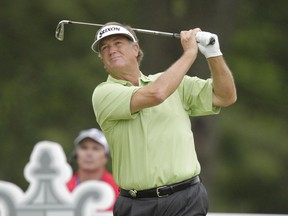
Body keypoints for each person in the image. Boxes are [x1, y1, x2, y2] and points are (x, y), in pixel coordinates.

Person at [90, 22, 237, 216]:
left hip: (186, 199)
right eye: (105, 48)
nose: (111, 50)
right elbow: (157, 93)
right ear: (102, 59)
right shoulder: (104, 93)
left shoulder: (176, 84)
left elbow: (226, 96)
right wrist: (190, 54)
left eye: (118, 43)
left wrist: (213, 53)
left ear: (136, 49)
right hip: (136, 205)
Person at [66, 128, 119, 211]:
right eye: (84, 148)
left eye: (96, 148)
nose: (89, 153)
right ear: (76, 155)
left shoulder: (118, 190)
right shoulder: (63, 188)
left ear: (106, 157)